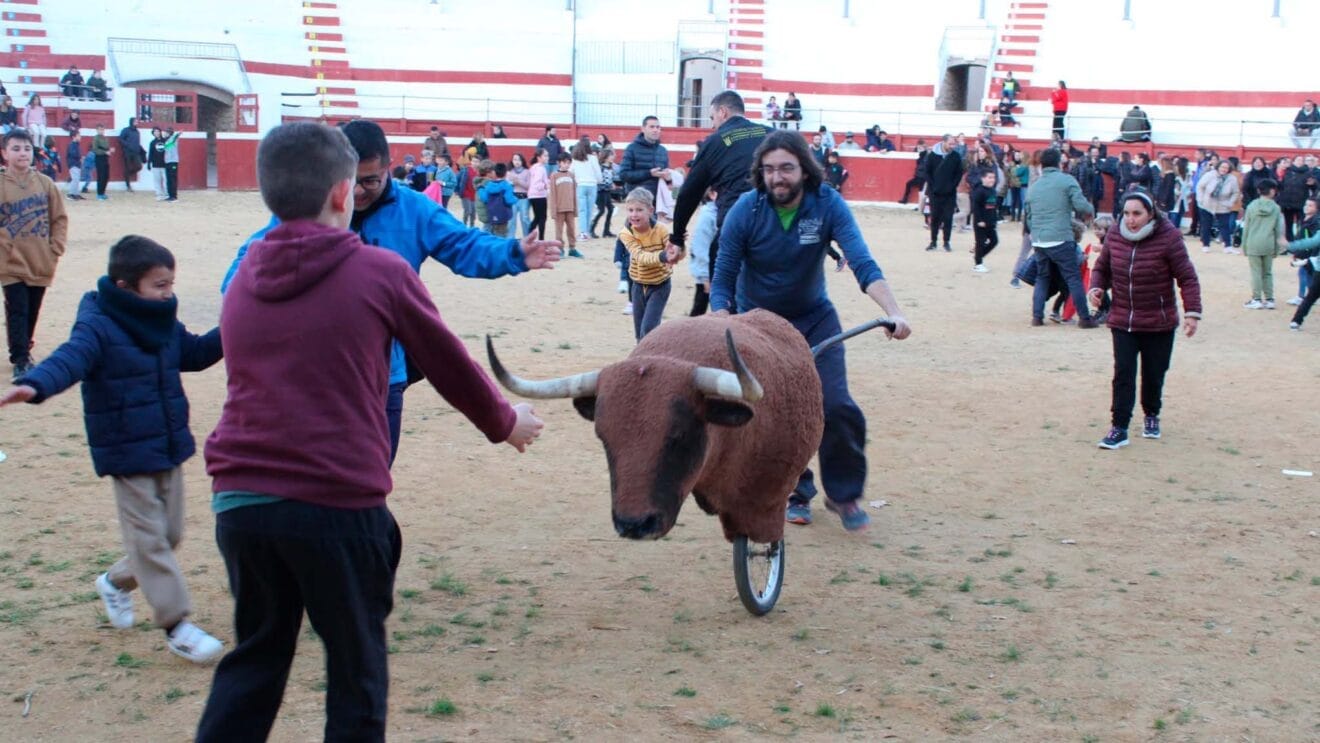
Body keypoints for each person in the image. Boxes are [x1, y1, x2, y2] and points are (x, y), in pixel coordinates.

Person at [195, 122, 543, 742]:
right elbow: (447, 362)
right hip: (332, 503)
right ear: (342, 192)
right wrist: (505, 421)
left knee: (257, 659)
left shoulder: (243, 276)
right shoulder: (379, 272)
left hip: (240, 503)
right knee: (356, 669)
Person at [220, 120, 560, 462]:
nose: (358, 193)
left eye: (370, 180)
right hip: (307, 377)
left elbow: (463, 246)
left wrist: (512, 253)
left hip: (383, 379)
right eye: (351, 182)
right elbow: (239, 279)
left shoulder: (413, 211)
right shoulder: (305, 215)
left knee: (370, 477)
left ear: (388, 167)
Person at [1, 235, 225, 661]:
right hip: (126, 451)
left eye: (171, 284)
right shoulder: (97, 323)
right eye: (159, 285)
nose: (168, 294)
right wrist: (35, 384)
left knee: (168, 536)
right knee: (151, 541)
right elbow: (72, 357)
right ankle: (177, 626)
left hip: (167, 444)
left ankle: (115, 582)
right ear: (125, 286)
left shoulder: (160, 319)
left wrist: (235, 326)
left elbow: (193, 354)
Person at [713, 130, 911, 531]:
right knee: (770, 415)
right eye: (769, 170)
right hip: (760, 327)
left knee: (836, 406)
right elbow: (724, 274)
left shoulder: (827, 205)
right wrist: (721, 317)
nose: (777, 178)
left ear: (804, 168)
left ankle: (843, 494)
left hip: (815, 321)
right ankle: (795, 491)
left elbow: (861, 261)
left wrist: (893, 311)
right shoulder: (746, 210)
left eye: (786, 168)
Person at [1089, 191, 1201, 449]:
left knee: (1154, 374)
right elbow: (1102, 268)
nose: (1130, 219)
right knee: (1123, 373)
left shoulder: (1169, 236)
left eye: (1137, 213)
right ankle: (1119, 428)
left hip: (1158, 321)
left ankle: (1151, 414)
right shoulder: (1115, 234)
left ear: (1150, 213)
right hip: (1123, 318)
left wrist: (1192, 312)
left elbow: (1187, 277)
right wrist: (1096, 288)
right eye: (1126, 213)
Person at [667, 90, 769, 281]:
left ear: (722, 112)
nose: (713, 125)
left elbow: (689, 193)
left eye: (712, 118)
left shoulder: (716, 141)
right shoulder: (770, 133)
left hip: (736, 225)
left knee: (725, 293)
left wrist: (677, 238)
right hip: (774, 227)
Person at [0, 129, 68, 380]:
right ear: (4, 153)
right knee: (17, 308)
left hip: (40, 259)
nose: (22, 154)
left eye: (27, 149)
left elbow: (59, 218)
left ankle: (24, 348)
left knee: (32, 309)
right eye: (16, 149)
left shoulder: (45, 184)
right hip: (10, 262)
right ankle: (19, 358)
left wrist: (55, 248)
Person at [1024, 147, 1098, 328]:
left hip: (1040, 239)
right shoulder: (1066, 181)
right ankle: (1085, 318)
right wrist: (1091, 211)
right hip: (1060, 237)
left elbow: (1028, 216)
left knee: (1043, 277)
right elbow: (1082, 206)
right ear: (1059, 163)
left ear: (1042, 164)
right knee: (1073, 278)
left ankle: (1037, 317)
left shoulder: (1034, 186)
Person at [619, 188, 682, 339]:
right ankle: (642, 360)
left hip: (660, 285)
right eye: (630, 210)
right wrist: (663, 256)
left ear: (650, 210)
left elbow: (674, 252)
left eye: (639, 210)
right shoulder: (626, 233)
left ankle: (651, 359)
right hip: (638, 285)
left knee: (649, 329)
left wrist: (678, 248)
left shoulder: (662, 230)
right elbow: (641, 257)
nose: (634, 214)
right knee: (639, 332)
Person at [1239, 179, 1284, 310]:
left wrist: (1244, 245)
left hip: (1253, 242)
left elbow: (1246, 227)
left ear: (1259, 191)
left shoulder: (1252, 206)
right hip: (1268, 243)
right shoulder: (1275, 208)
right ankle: (1270, 299)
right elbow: (1277, 229)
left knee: (1256, 272)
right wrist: (1277, 248)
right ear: (1273, 191)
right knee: (1268, 272)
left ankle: (1256, 298)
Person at [1284, 197, 1320, 327]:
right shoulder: (1308, 219)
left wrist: (1291, 246)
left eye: (1310, 205)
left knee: (1311, 296)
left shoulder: (1315, 221)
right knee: (1311, 294)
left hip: (1314, 260)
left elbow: (1312, 241)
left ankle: (1296, 321)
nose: (1307, 207)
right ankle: (1296, 320)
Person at [925, 134, 964, 251]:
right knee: (935, 218)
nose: (952, 146)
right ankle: (933, 241)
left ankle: (946, 242)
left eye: (954, 144)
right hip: (935, 193)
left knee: (948, 218)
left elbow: (959, 174)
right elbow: (927, 172)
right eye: (950, 144)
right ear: (944, 142)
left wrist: (952, 186)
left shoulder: (956, 156)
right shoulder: (932, 155)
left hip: (949, 193)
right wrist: (933, 187)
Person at [617, 115, 670, 198]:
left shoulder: (663, 150)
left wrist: (668, 177)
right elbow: (623, 175)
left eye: (658, 127)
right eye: (652, 127)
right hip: (637, 200)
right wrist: (649, 173)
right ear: (643, 129)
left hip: (658, 200)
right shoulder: (631, 148)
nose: (655, 130)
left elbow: (666, 176)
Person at [1196, 159, 1241, 254]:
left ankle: (1227, 246)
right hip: (1207, 202)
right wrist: (1200, 199)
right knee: (1206, 225)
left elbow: (1236, 192)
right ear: (1218, 167)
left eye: (1226, 168)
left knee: (1224, 225)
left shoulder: (1232, 179)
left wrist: (1230, 202)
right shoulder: (1210, 175)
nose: (1224, 169)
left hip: (1223, 204)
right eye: (1222, 167)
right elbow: (1200, 186)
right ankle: (1205, 244)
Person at [686, 187, 717, 316]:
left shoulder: (720, 212)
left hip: (717, 270)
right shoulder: (708, 216)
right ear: (712, 194)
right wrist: (705, 276)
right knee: (700, 308)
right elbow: (700, 246)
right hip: (708, 272)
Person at [548, 152, 581, 256]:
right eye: (564, 162)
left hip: (570, 208)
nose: (567, 165)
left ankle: (572, 248)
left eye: (569, 163)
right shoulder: (554, 176)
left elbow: (574, 193)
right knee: (559, 231)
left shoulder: (571, 175)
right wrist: (553, 210)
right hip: (559, 209)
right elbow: (552, 194)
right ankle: (560, 249)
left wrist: (575, 208)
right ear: (559, 163)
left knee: (572, 229)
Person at [569, 141, 600, 241]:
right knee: (589, 210)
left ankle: (583, 232)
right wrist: (598, 181)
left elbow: (570, 172)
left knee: (582, 210)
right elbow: (598, 172)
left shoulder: (575, 159)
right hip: (592, 185)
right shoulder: (593, 158)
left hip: (581, 185)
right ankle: (587, 232)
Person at [478, 162, 517, 237]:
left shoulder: (489, 185)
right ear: (505, 174)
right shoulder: (507, 186)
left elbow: (485, 199)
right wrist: (516, 198)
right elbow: (509, 200)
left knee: (492, 235)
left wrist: (480, 189)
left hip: (492, 215)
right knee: (502, 236)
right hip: (503, 216)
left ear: (494, 173)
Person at [971, 169, 999, 272]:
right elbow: (975, 207)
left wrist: (995, 220)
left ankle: (979, 256)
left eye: (993, 177)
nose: (992, 180)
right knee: (980, 242)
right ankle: (978, 264)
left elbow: (994, 207)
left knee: (994, 241)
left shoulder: (993, 190)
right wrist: (979, 220)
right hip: (981, 222)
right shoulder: (979, 191)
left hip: (990, 221)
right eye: (989, 177)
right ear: (983, 178)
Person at [591, 148, 616, 239]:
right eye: (611, 155)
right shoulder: (600, 167)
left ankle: (606, 231)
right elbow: (598, 179)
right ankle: (592, 229)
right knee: (601, 210)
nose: (613, 157)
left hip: (607, 191)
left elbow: (609, 178)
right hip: (601, 191)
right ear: (605, 157)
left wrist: (612, 184)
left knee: (610, 209)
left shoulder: (610, 167)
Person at [119, 117, 145, 192]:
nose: (137, 122)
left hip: (135, 152)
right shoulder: (126, 130)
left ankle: (128, 174)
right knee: (127, 167)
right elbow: (120, 139)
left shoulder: (137, 132)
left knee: (139, 166)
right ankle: (128, 185)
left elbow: (138, 142)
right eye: (135, 121)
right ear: (131, 122)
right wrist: (127, 145)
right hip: (127, 152)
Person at [898, 139, 928, 205]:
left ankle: (919, 204)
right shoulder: (922, 153)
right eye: (918, 146)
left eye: (920, 146)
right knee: (919, 190)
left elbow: (922, 164)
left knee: (921, 191)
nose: (919, 148)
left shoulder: (925, 154)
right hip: (919, 176)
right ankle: (906, 200)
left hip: (922, 176)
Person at [147, 127, 168, 200]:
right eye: (155, 132)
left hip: (165, 164)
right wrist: (149, 163)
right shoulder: (152, 143)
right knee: (157, 180)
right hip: (155, 164)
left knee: (166, 180)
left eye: (158, 131)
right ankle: (159, 194)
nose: (156, 133)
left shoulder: (165, 141)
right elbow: (150, 153)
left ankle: (166, 193)